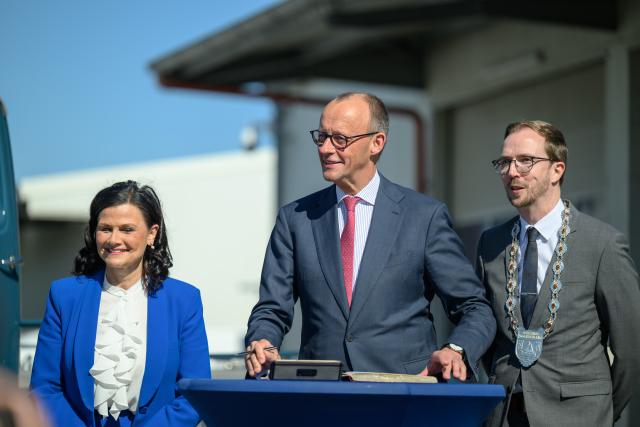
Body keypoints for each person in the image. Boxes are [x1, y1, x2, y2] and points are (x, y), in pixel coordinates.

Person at [244, 92, 496, 381]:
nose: (326, 148)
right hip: (322, 394)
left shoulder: (423, 217)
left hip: (402, 394)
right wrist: (262, 340)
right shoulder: (295, 219)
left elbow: (474, 307)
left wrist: (456, 348)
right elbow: (271, 308)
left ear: (377, 142)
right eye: (321, 136)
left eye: (340, 139)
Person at [476, 120, 640, 426]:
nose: (512, 171)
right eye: (505, 162)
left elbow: (631, 349)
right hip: (505, 414)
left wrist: (600, 412)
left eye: (526, 161)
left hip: (578, 416)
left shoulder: (602, 244)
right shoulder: (491, 244)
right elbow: (489, 331)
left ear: (557, 170)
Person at [30, 181, 210, 427]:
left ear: (152, 233)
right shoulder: (64, 295)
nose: (114, 240)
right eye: (105, 229)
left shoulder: (184, 300)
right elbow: (44, 388)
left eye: (127, 229)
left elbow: (193, 393)